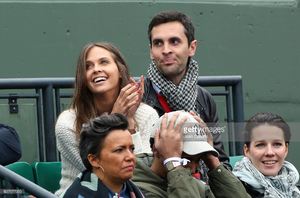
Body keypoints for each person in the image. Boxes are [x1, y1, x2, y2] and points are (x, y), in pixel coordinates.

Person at [55, 42, 159, 196]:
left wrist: (129, 123)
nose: (96, 69)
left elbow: (142, 176)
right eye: (88, 66)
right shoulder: (67, 123)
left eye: (104, 62)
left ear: (120, 70)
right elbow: (99, 172)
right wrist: (116, 120)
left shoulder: (146, 114)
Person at [142, 10, 230, 173]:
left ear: (192, 47)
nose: (166, 50)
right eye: (158, 43)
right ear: (151, 51)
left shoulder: (204, 99)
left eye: (174, 41)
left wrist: (209, 153)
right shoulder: (138, 97)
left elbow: (222, 161)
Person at [132, 111, 250, 197]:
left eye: (198, 159)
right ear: (156, 150)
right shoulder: (135, 188)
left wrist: (212, 161)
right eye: (185, 160)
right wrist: (174, 164)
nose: (194, 169)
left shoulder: (193, 185)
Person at [61, 113, 144, 197]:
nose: (130, 157)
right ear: (94, 160)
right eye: (119, 150)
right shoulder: (77, 195)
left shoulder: (137, 192)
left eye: (132, 149)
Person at [233, 112, 300, 197]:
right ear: (247, 150)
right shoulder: (231, 191)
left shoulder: (294, 191)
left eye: (277, 144)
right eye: (260, 145)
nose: (269, 152)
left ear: (286, 149)